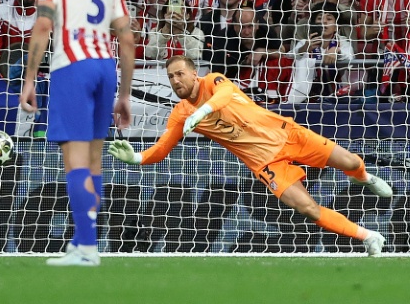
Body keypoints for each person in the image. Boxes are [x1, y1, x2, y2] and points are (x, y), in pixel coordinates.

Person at [109, 55, 391, 256]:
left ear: (194, 74)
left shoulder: (214, 81)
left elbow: (224, 96)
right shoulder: (180, 114)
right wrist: (136, 158)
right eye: (170, 76)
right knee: (308, 209)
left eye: (180, 73)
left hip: (287, 135)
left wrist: (202, 112)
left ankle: (363, 178)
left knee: (353, 163)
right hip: (265, 163)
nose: (175, 80)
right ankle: (368, 236)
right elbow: (161, 149)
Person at [20, 0, 135, 266]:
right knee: (96, 159)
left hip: (72, 65)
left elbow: (43, 23)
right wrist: (125, 94)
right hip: (105, 67)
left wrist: (29, 79)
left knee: (75, 159)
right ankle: (84, 241)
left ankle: (87, 248)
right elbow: (127, 38)